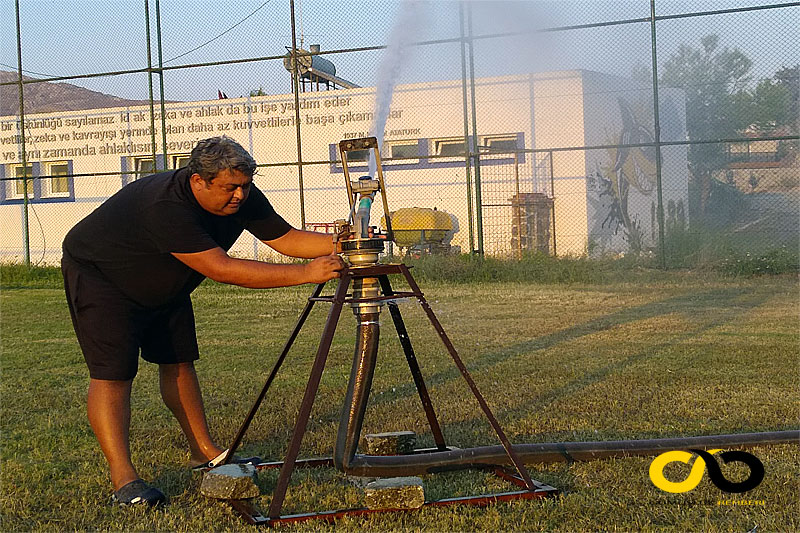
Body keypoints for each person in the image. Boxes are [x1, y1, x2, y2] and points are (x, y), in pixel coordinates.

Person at [61, 136, 345, 507]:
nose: (240, 196)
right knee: (113, 374)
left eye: (245, 186)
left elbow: (286, 238)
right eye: (230, 188)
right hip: (103, 277)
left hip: (165, 279)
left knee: (178, 362)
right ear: (199, 181)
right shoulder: (164, 205)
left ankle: (205, 453)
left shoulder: (241, 193)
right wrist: (306, 274)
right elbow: (221, 269)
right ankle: (124, 478)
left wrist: (342, 243)